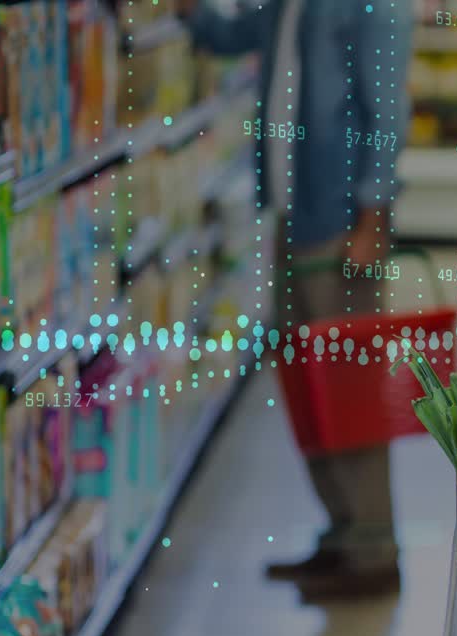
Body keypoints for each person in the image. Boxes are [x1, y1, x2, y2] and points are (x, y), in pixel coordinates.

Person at [177, 0, 413, 599]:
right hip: (293, 215)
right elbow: (237, 35)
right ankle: (341, 534)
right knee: (308, 388)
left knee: (348, 389)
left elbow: (387, 109)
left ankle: (373, 551)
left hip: (341, 224)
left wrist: (373, 214)